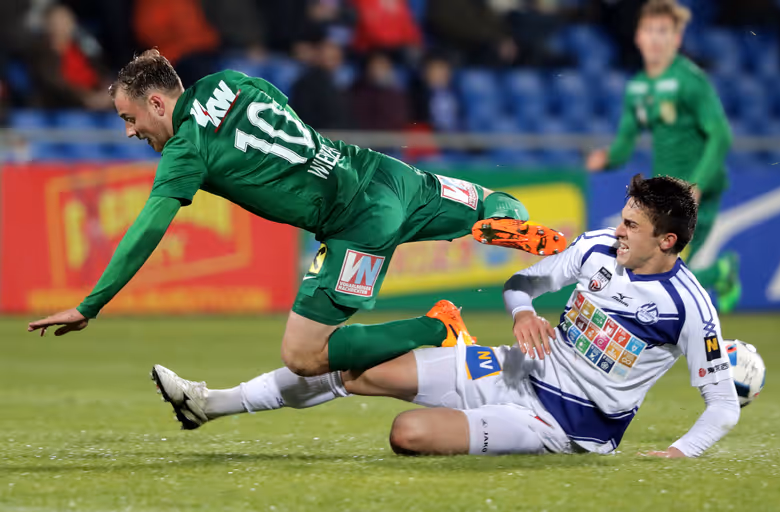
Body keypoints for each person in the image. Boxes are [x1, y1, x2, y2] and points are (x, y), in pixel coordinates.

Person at [27, 49, 565, 380]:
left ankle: (438, 327)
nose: (129, 131)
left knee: (303, 355)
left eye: (129, 117)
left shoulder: (185, 149)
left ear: (158, 104)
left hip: (357, 226)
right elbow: (282, 114)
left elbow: (148, 228)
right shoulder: (230, 80)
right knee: (490, 203)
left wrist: (90, 304)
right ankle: (508, 223)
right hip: (385, 173)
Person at [151, 174, 740, 458]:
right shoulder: (595, 250)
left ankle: (448, 341)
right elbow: (521, 282)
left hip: (563, 427)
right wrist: (523, 313)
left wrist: (679, 454)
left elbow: (722, 404)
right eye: (622, 218)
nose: (618, 230)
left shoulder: (689, 307)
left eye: (632, 225)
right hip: (514, 368)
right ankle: (211, 403)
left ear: (667, 241)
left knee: (407, 434)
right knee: (358, 371)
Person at [585, 0, 740, 313]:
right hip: (664, 192)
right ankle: (720, 272)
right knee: (656, 272)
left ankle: (719, 273)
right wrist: (607, 158)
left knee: (664, 272)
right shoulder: (638, 87)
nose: (655, 38)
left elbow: (721, 135)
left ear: (676, 39)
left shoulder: (690, 81)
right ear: (638, 37)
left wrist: (697, 184)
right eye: (650, 31)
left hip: (698, 191)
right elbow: (626, 141)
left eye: (663, 31)